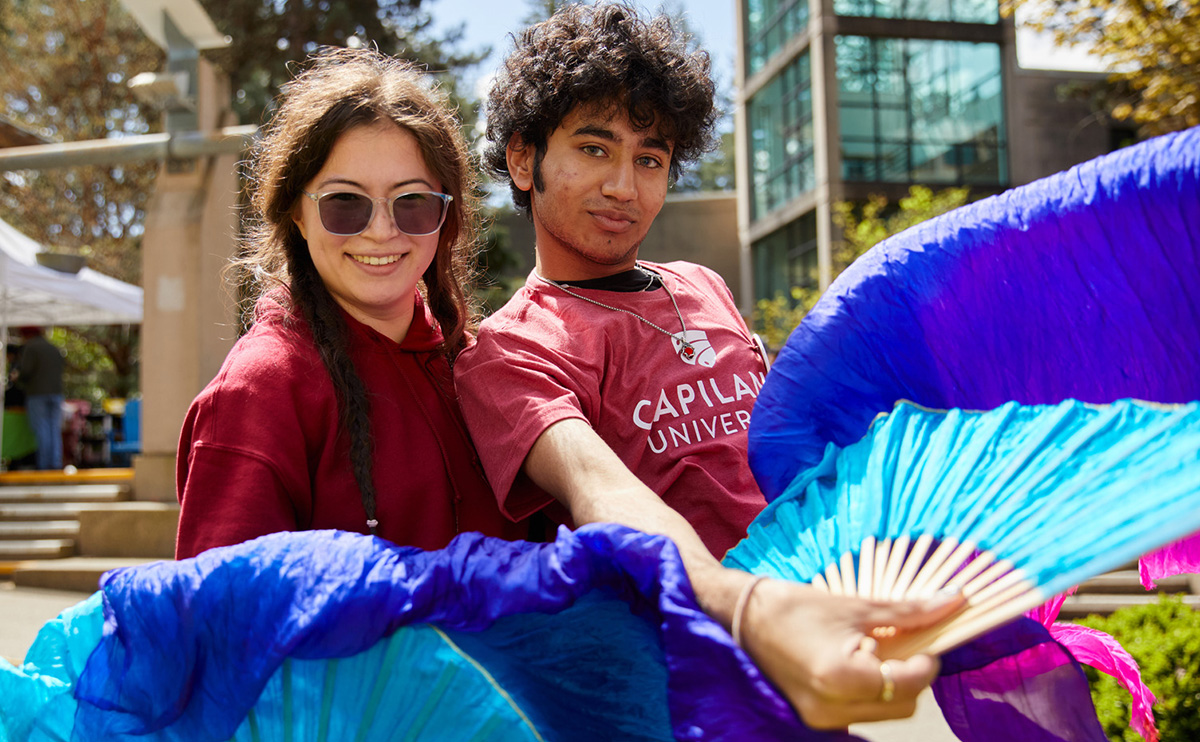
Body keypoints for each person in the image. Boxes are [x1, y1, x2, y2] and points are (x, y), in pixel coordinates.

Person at [454, 3, 961, 730]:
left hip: (846, 616)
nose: (625, 186)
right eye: (594, 149)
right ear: (524, 158)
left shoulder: (703, 284)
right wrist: (751, 609)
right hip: (698, 678)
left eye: (650, 158)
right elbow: (599, 493)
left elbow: (792, 447)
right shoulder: (507, 349)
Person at [175, 47, 526, 559]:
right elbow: (226, 622)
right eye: (345, 202)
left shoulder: (478, 366)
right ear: (296, 211)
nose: (382, 231)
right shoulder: (260, 391)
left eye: (412, 201)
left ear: (445, 215)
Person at [13, 326, 65, 470]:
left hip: (37, 394)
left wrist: (18, 377)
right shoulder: (54, 348)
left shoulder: (31, 347)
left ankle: (44, 465)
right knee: (54, 428)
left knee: (41, 428)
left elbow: (26, 370)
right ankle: (55, 463)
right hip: (56, 393)